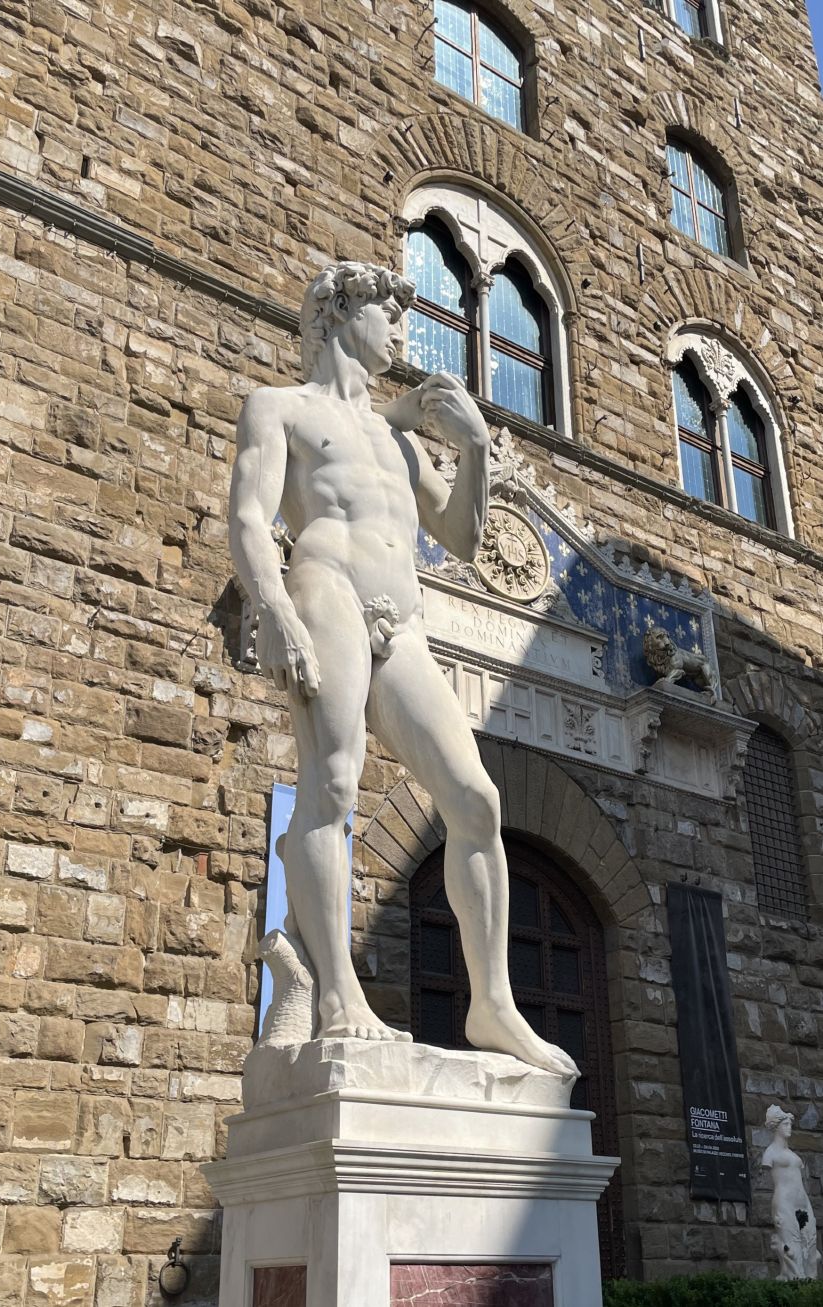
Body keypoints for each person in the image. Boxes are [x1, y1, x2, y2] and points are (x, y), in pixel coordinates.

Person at [229, 260, 578, 1080]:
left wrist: (477, 448)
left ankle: (490, 1002)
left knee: (474, 796)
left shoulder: (395, 436)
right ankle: (338, 995)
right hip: (325, 587)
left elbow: (456, 538)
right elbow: (247, 514)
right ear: (339, 311)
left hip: (403, 615)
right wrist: (275, 608)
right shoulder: (279, 408)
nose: (402, 332)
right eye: (388, 314)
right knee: (335, 785)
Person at [762, 1104, 820, 1280]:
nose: (789, 1128)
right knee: (792, 1249)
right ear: (777, 1127)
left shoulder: (792, 1154)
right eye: (785, 1124)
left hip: (803, 1202)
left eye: (790, 1124)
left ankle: (810, 1290)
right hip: (785, 1202)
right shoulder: (770, 1153)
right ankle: (795, 1286)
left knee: (811, 1249)